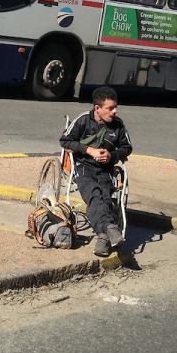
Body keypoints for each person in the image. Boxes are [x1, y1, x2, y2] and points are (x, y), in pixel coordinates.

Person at [60, 86, 133, 257]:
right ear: (97, 108)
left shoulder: (118, 125)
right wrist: (89, 150)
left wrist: (112, 155)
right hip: (83, 166)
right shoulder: (83, 120)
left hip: (105, 169)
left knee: (106, 197)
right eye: (110, 108)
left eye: (115, 107)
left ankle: (103, 237)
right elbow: (65, 141)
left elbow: (127, 148)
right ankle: (110, 229)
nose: (115, 111)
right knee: (94, 194)